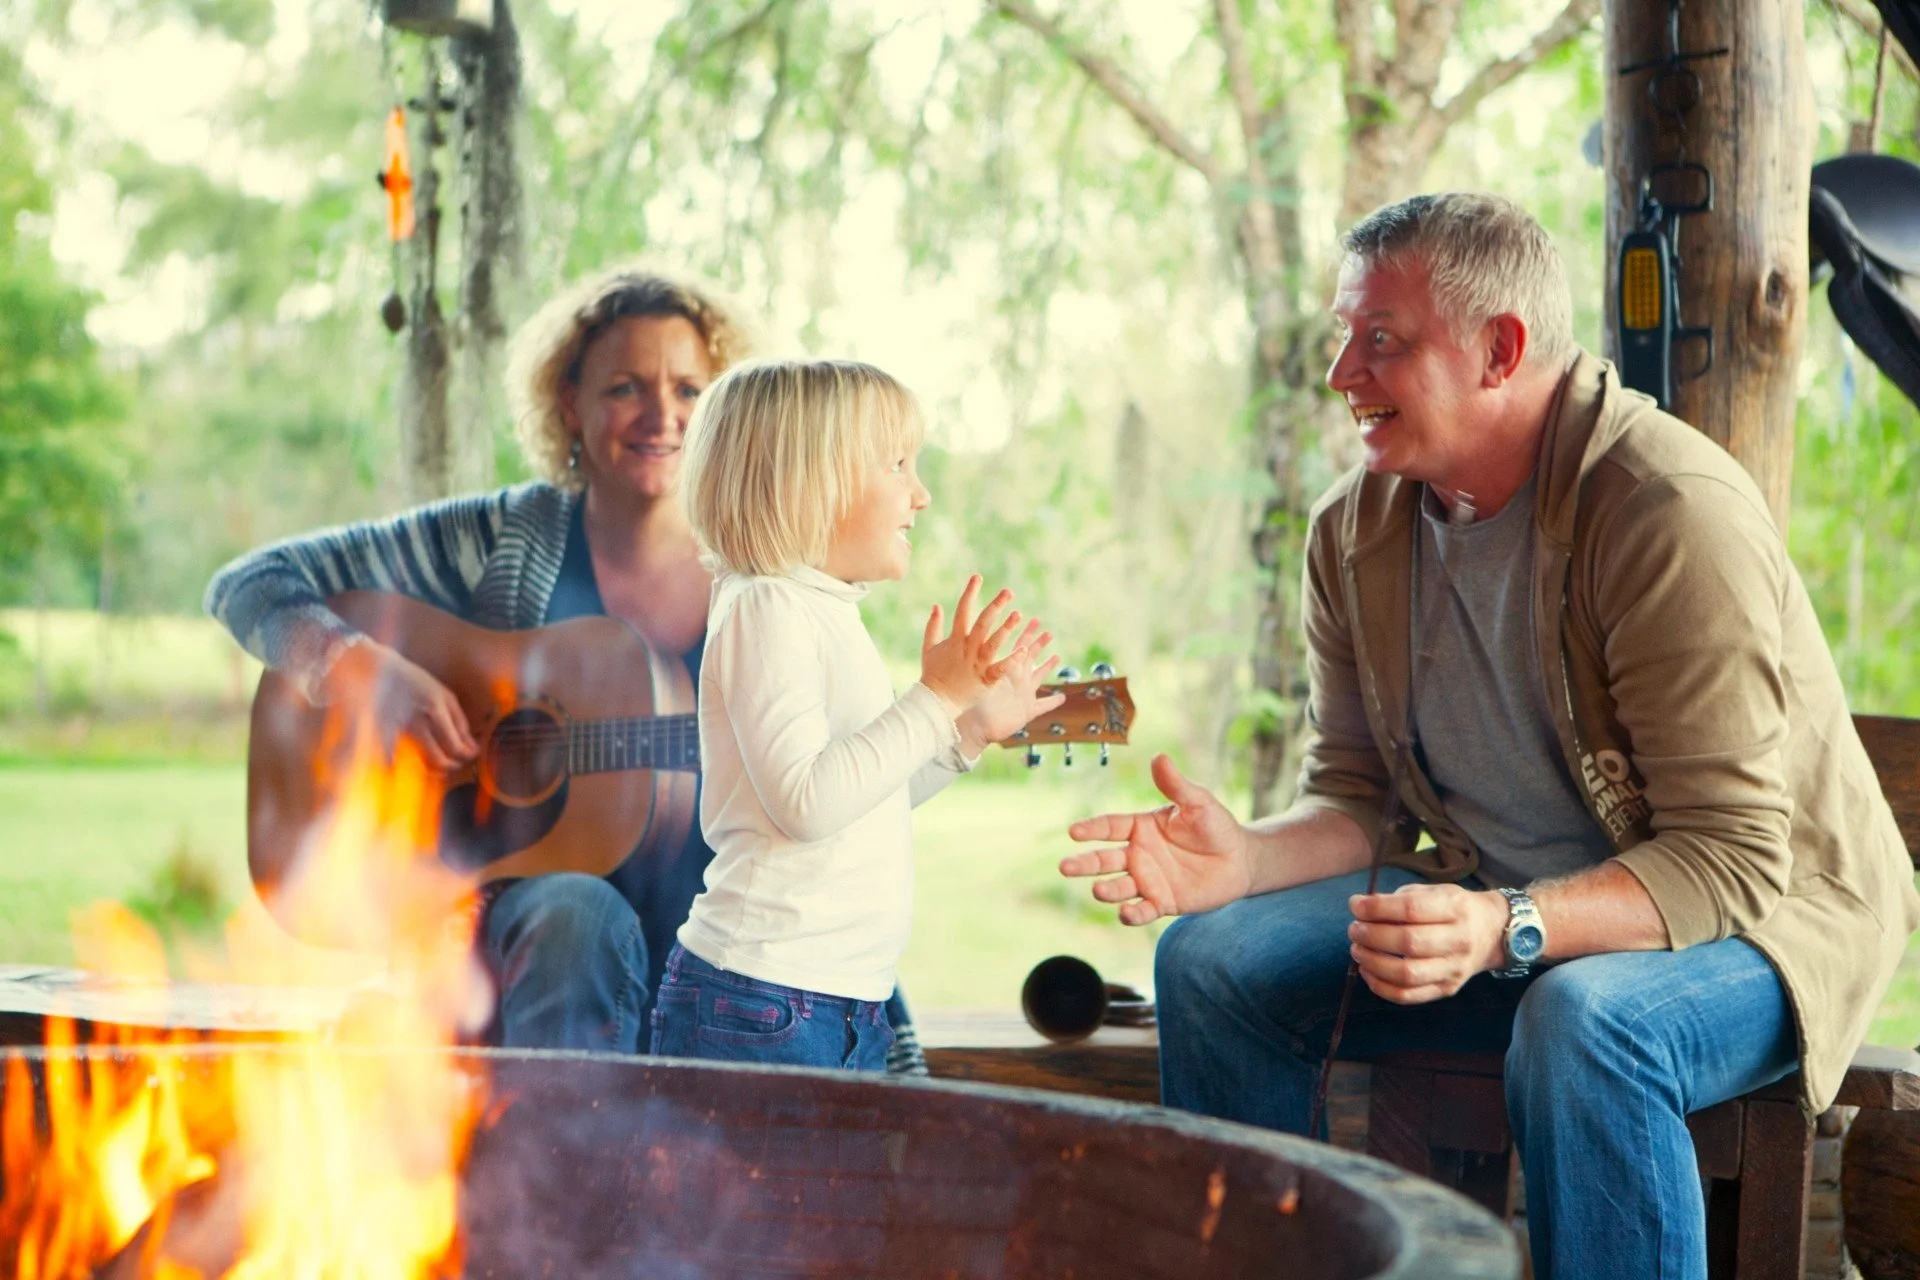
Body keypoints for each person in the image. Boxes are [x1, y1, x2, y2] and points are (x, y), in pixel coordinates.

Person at [1060, 193, 1920, 1279]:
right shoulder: (1354, 528)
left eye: (1381, 341)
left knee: (1586, 1023)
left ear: (1499, 349)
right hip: (1506, 910)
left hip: (1759, 926)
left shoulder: (1665, 509)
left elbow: (1731, 858)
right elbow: (1356, 789)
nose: (1341, 376)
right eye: (1342, 336)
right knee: (1212, 958)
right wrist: (1250, 858)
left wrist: (1506, 923)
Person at [205, 267, 926, 1070]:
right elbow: (247, 584)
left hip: (739, 973)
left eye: (691, 389)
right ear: (567, 404)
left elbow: (831, 788)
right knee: (577, 914)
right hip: (529, 939)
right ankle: (563, 1175)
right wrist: (354, 668)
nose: (663, 415)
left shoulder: (781, 571)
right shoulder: (502, 535)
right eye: (625, 387)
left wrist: (950, 726)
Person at [651, 359, 1061, 1070]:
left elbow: (857, 802)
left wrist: (961, 734)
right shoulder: (767, 607)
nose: (922, 495)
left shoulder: (820, 611)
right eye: (898, 464)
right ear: (809, 483)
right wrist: (934, 699)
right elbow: (806, 803)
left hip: (830, 1005)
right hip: (760, 1005)